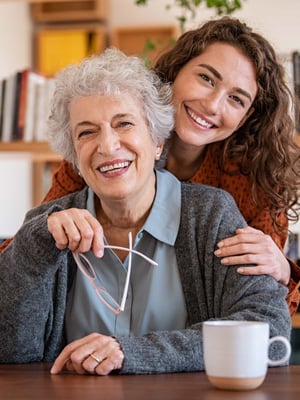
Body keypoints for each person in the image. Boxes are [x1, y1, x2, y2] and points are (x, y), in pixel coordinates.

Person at [0, 48, 291, 375]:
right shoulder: (46, 226)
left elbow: (268, 328)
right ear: (74, 158)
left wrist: (132, 353)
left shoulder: (211, 214)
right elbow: (11, 351)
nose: (107, 146)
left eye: (124, 123)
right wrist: (35, 242)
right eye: (87, 132)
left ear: (157, 142)